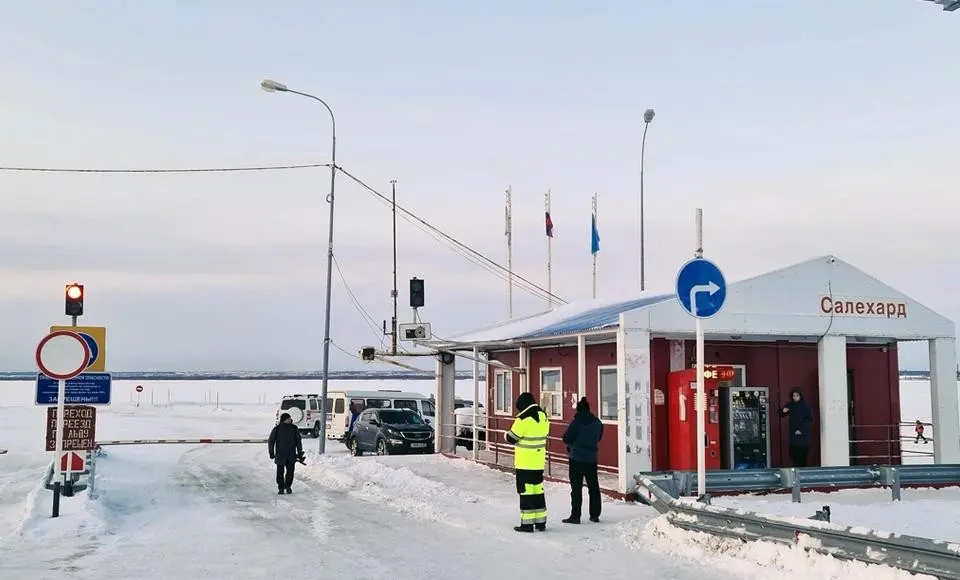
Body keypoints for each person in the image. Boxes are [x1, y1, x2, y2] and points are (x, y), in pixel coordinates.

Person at [504, 392, 550, 533]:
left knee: (526, 493)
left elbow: (512, 437)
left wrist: (505, 434)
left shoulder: (522, 419)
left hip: (525, 462)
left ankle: (527, 524)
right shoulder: (543, 416)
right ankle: (541, 522)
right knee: (538, 491)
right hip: (538, 461)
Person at [561, 397, 603, 524]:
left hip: (576, 459)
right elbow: (599, 437)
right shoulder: (597, 423)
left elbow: (566, 438)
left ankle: (575, 516)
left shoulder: (576, 422)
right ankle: (595, 514)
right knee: (594, 487)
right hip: (591, 459)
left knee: (576, 488)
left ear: (579, 410)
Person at [268, 412, 304, 494]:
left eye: (290, 418)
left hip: (290, 454)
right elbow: (271, 441)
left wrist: (300, 452)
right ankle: (281, 487)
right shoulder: (277, 428)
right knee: (280, 472)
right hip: (281, 454)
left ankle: (288, 486)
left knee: (290, 472)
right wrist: (271, 452)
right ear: (284, 420)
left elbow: (298, 441)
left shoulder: (294, 428)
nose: (290, 419)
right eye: (288, 418)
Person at [779, 387, 814, 467]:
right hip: (793, 436)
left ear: (801, 396)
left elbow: (810, 420)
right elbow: (782, 414)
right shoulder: (790, 405)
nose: (795, 397)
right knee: (792, 454)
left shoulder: (806, 406)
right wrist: (783, 411)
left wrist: (801, 430)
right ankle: (795, 474)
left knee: (802, 458)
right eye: (793, 395)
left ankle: (802, 475)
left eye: (797, 395)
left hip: (803, 437)